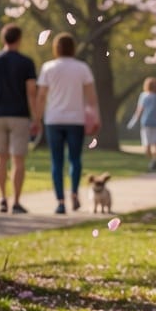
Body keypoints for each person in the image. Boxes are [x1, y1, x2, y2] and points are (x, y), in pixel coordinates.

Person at [0, 25, 40, 214]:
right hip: (19, 116)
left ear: (3, 39)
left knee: (0, 158)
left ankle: (2, 198)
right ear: (18, 39)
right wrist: (36, 117)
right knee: (18, 159)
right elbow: (31, 93)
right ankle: (17, 202)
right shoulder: (26, 63)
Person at [36, 33, 99, 215]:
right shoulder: (82, 68)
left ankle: (60, 202)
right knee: (75, 159)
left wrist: (37, 118)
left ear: (56, 48)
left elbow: (41, 96)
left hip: (53, 120)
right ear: (73, 48)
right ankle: (73, 193)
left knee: (56, 161)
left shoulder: (48, 68)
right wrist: (95, 118)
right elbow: (91, 98)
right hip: (75, 120)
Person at [127, 77, 156, 171]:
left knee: (147, 144)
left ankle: (152, 161)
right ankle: (154, 160)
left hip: (147, 122)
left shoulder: (145, 96)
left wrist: (133, 121)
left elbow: (139, 110)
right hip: (155, 123)